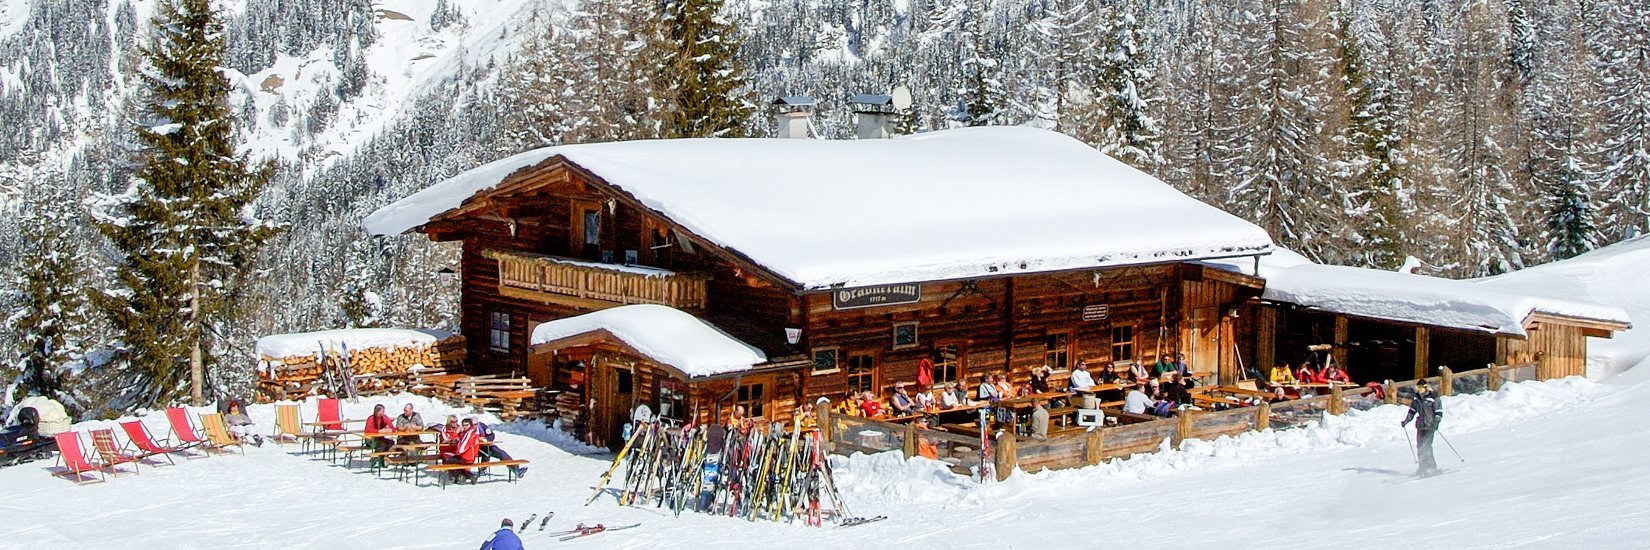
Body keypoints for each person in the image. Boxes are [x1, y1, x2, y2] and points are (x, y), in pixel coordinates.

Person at [1402, 379, 1444, 476]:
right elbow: (1412, 411)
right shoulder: (1416, 398)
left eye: (1420, 388)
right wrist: (1406, 421)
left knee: (1427, 446)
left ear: (1425, 387)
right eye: (1417, 388)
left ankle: (1431, 467)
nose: (1418, 390)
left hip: (1430, 426)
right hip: (1421, 426)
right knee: (1420, 447)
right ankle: (1422, 468)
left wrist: (1435, 423)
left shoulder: (1433, 397)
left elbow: (1438, 412)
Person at [441, 418, 482, 484]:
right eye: (463, 425)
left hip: (467, 458)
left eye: (467, 425)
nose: (465, 427)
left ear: (470, 425)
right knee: (453, 459)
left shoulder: (469, 434)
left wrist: (457, 452)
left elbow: (463, 447)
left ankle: (460, 476)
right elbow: (459, 438)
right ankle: (467, 475)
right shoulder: (468, 433)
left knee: (448, 460)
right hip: (468, 457)